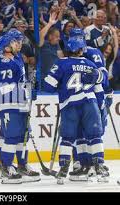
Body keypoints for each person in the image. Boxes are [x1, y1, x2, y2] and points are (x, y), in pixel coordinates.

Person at [44, 34, 106, 185]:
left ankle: (63, 170)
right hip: (90, 104)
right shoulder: (91, 64)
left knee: (68, 138)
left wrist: (60, 85)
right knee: (95, 136)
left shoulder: (61, 63)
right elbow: (99, 87)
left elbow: (48, 86)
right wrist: (101, 105)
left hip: (70, 105)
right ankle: (100, 168)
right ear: (81, 49)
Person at [0, 32, 40, 184]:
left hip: (20, 103)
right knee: (11, 136)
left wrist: (29, 85)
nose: (19, 44)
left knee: (23, 136)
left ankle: (21, 165)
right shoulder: (3, 63)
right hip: (8, 104)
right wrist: (25, 87)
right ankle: (6, 167)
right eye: (15, 42)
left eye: (20, 41)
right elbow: (5, 88)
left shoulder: (18, 57)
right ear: (6, 47)